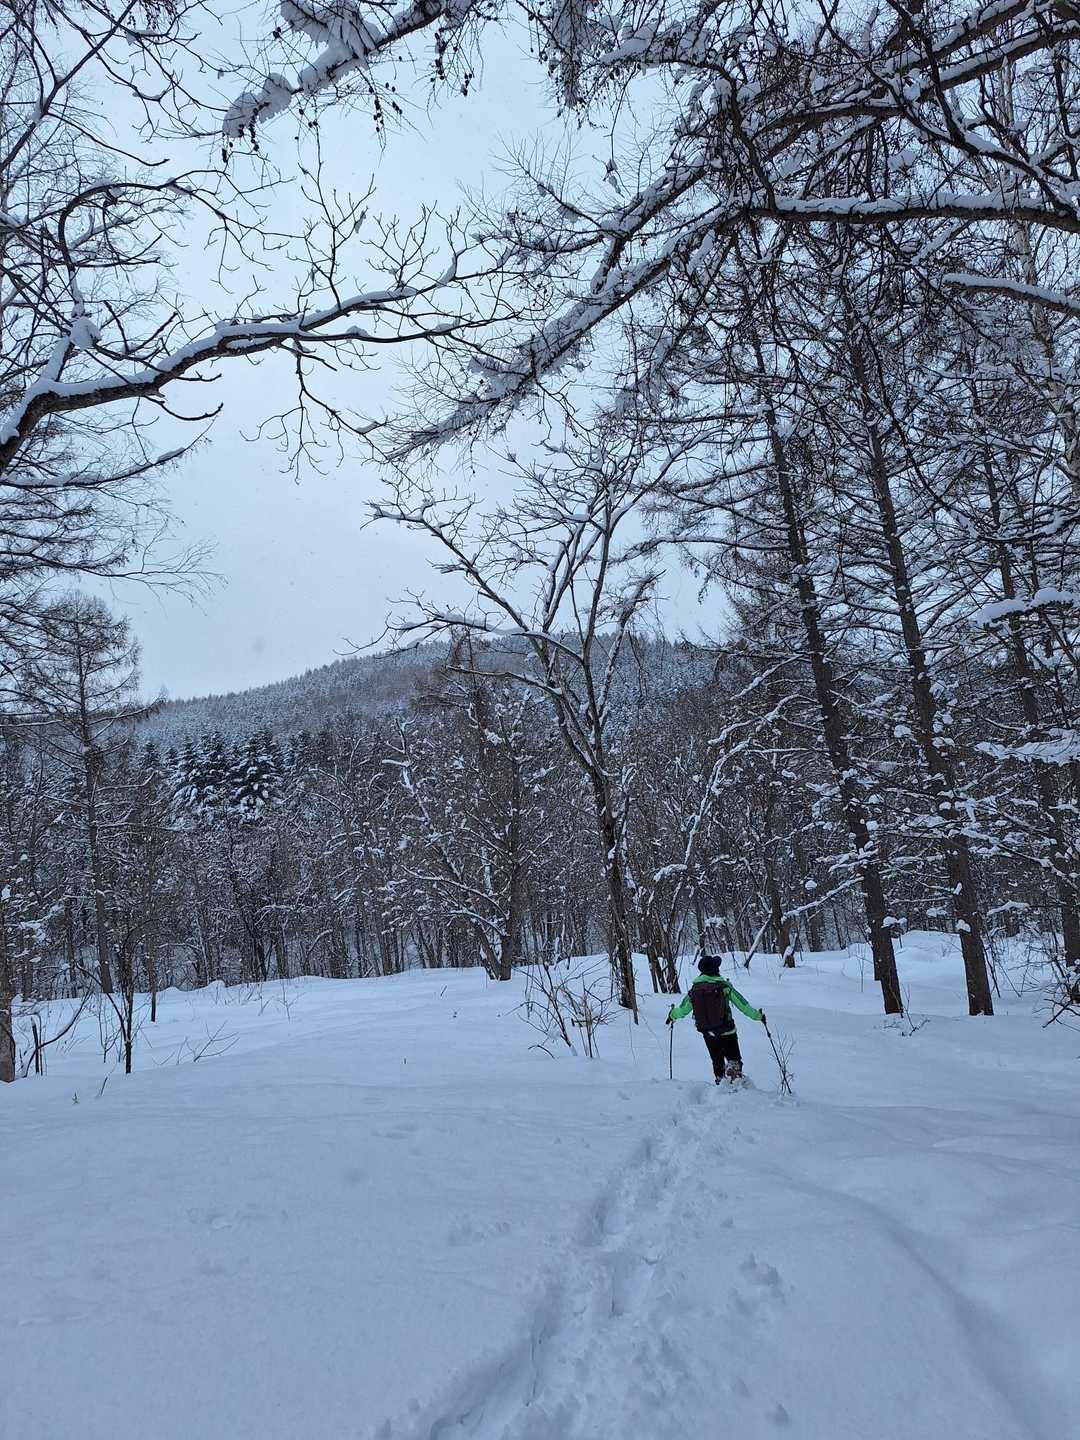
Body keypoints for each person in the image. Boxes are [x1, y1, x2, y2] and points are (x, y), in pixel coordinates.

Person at [666, 955, 766, 1084]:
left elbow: (682, 1010)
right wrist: (759, 1016)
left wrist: (672, 1015)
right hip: (727, 1030)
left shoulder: (695, 990)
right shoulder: (724, 987)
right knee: (734, 1058)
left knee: (717, 1061)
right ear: (716, 970)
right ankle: (735, 1080)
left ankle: (720, 1083)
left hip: (708, 1032)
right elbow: (743, 1005)